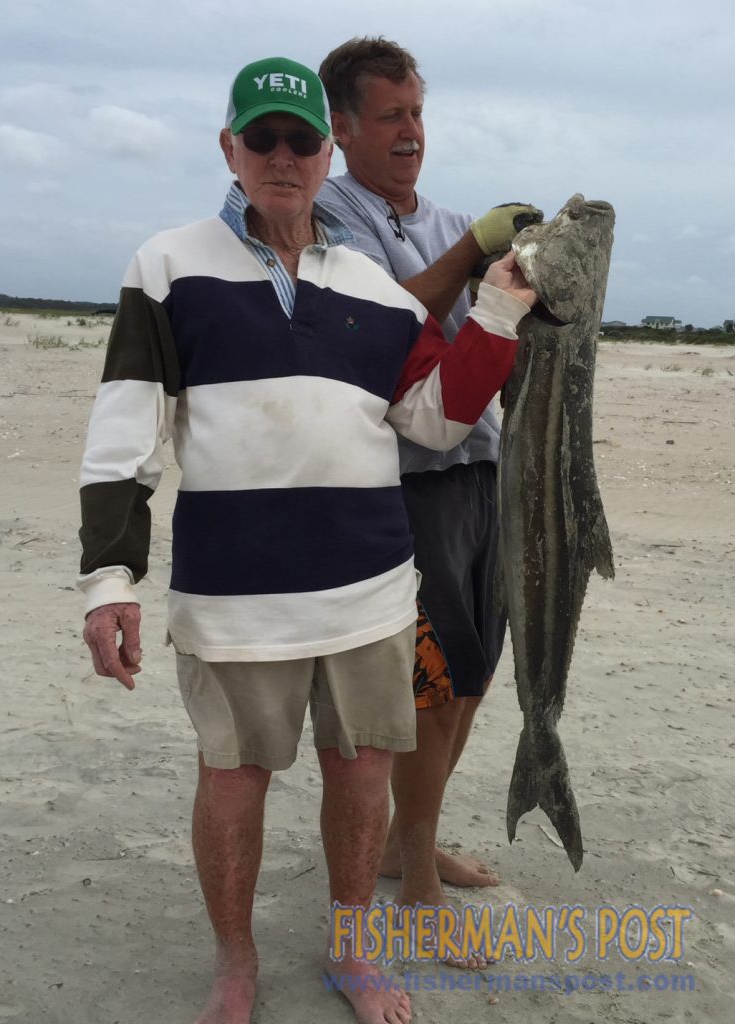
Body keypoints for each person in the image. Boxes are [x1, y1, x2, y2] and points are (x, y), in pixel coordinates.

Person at [78, 55, 535, 1024]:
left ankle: (357, 951)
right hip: (232, 599)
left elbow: (436, 417)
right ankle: (236, 962)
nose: (282, 157)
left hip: (368, 593)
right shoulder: (168, 263)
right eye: (262, 138)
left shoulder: (377, 285)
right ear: (230, 149)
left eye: (300, 140)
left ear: (327, 154)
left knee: (364, 777)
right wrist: (109, 579)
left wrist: (496, 310)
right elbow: (126, 429)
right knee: (234, 785)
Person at [317, 37, 541, 928]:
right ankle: (412, 872)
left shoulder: (446, 217)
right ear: (343, 129)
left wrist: (532, 289)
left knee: (477, 671)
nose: (411, 131)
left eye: (417, 112)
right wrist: (477, 257)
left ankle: (421, 828)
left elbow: (498, 341)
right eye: (391, 116)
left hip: (481, 465)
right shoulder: (331, 217)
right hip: (400, 478)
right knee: (428, 684)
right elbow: (378, 318)